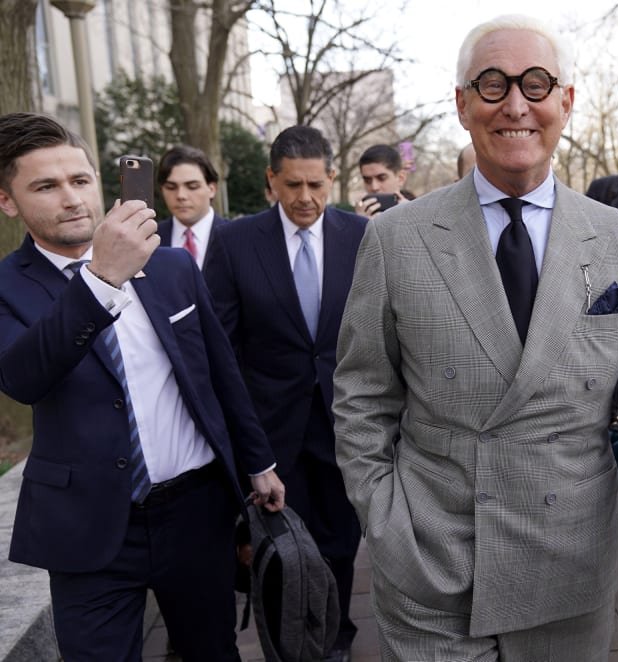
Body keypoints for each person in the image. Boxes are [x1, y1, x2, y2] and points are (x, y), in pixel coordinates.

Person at [333, 14, 618, 662]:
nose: (516, 104)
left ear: (566, 101)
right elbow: (362, 396)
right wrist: (386, 519)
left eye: (536, 84)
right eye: (492, 84)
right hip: (434, 567)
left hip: (567, 570)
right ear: (461, 105)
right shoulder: (397, 239)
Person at [0, 112, 285, 660]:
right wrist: (100, 279)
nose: (72, 198)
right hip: (88, 526)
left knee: (213, 652)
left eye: (80, 180)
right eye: (46, 186)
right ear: (8, 201)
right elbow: (23, 377)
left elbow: (219, 376)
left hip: (195, 511)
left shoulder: (173, 267)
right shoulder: (8, 287)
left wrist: (259, 463)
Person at [203, 125, 366, 662]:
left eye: (316, 184)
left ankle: (336, 636)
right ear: (271, 181)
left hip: (344, 427)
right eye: (292, 184)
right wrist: (242, 446)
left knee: (341, 546)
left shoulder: (361, 237)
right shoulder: (233, 242)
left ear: (331, 178)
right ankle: (286, 649)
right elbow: (219, 351)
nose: (305, 197)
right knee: (278, 553)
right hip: (269, 434)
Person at [155, 144, 227, 269]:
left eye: (192, 186)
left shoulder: (236, 238)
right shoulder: (149, 241)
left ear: (212, 189)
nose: (181, 195)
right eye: (171, 187)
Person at [353, 143, 410, 217]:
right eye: (367, 180)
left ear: (400, 178)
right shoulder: (356, 219)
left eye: (382, 178)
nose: (374, 187)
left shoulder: (418, 214)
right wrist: (359, 223)